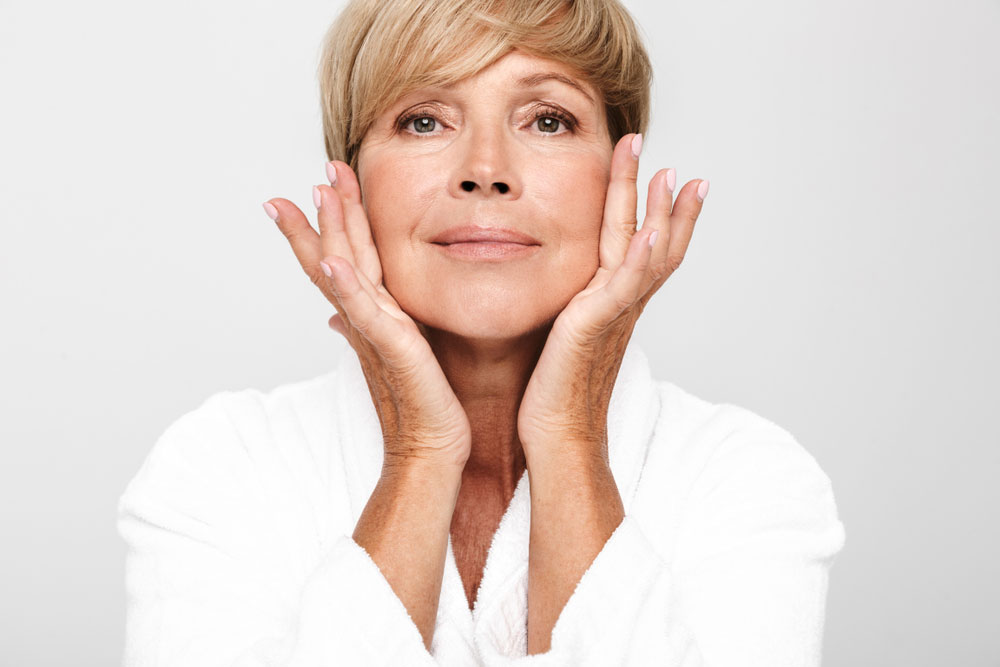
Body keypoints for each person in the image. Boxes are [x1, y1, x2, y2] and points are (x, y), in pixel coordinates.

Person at [117, 0, 846, 664]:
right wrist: (419, 453)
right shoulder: (219, 470)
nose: (486, 171)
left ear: (620, 177)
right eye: (424, 120)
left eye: (548, 120)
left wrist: (567, 438)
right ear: (352, 183)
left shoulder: (747, 480)